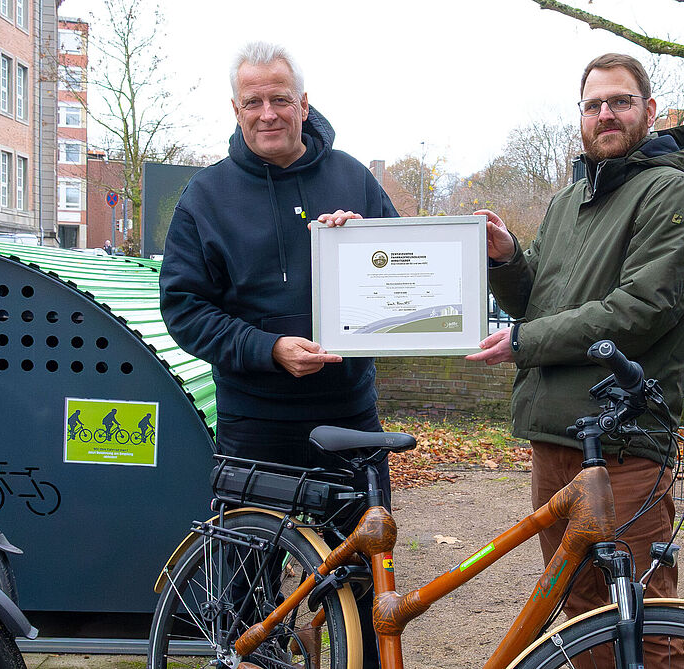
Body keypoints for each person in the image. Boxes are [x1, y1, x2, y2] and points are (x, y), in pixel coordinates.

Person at [467, 52, 684, 668]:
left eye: (621, 101)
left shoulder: (669, 191)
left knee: (642, 616)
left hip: (624, 441)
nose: (606, 114)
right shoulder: (567, 201)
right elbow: (538, 301)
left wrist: (526, 343)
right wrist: (506, 259)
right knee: (581, 607)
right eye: (594, 104)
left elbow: (639, 309)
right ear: (580, 115)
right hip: (555, 436)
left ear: (649, 111)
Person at [159, 41, 397, 667]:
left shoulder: (352, 178)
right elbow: (184, 310)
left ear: (304, 104)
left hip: (348, 419)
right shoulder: (205, 196)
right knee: (244, 592)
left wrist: (368, 242)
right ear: (235, 109)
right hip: (255, 423)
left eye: (280, 99)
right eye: (254, 101)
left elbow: (405, 270)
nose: (268, 112)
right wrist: (267, 350)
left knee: (368, 579)